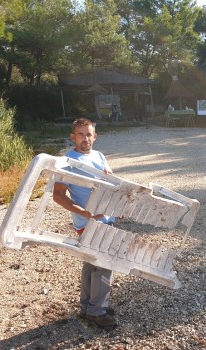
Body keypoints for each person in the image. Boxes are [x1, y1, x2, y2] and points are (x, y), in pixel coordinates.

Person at [52, 118, 117, 328]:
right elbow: (58, 195)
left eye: (89, 134)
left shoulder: (99, 155)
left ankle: (88, 306)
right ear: (73, 137)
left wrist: (111, 179)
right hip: (88, 222)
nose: (85, 139)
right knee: (104, 263)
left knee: (91, 263)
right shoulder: (67, 161)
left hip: (106, 218)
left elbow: (111, 181)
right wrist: (83, 212)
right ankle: (97, 311)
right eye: (80, 134)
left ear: (95, 136)